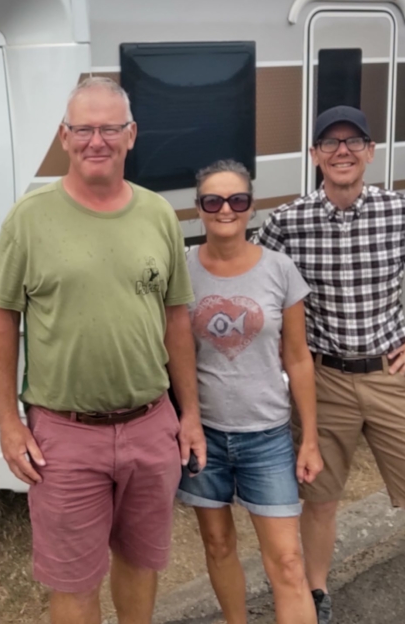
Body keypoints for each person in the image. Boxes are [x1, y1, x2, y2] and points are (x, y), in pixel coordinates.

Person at [0, 76, 207, 624]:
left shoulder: (158, 215)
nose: (96, 140)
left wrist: (191, 414)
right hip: (65, 435)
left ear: (131, 135)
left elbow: (176, 320)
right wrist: (9, 425)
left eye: (110, 128)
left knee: (139, 564)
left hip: (151, 424)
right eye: (83, 128)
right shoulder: (29, 220)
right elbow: (0, 323)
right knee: (75, 581)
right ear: (65, 136)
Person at [256, 106, 405, 624]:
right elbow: (257, 284)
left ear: (370, 152)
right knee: (318, 501)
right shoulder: (286, 222)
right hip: (323, 381)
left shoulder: (400, 211)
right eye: (330, 142)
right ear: (314, 155)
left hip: (389, 377)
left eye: (353, 141)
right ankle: (317, 600)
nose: (341, 151)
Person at [178, 160, 323, 624]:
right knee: (218, 546)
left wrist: (310, 438)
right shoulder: (181, 272)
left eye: (237, 200)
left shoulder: (280, 270)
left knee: (287, 560)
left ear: (251, 207)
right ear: (198, 209)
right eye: (213, 201)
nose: (226, 209)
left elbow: (298, 358)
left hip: (267, 437)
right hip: (205, 438)